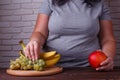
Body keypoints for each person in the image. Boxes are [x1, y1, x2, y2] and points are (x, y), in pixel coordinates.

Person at [24, 0, 116, 71]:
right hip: (52, 68)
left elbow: (107, 39)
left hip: (91, 68)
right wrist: (35, 41)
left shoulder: (99, 4)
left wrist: (107, 58)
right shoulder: (50, 2)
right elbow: (40, 32)